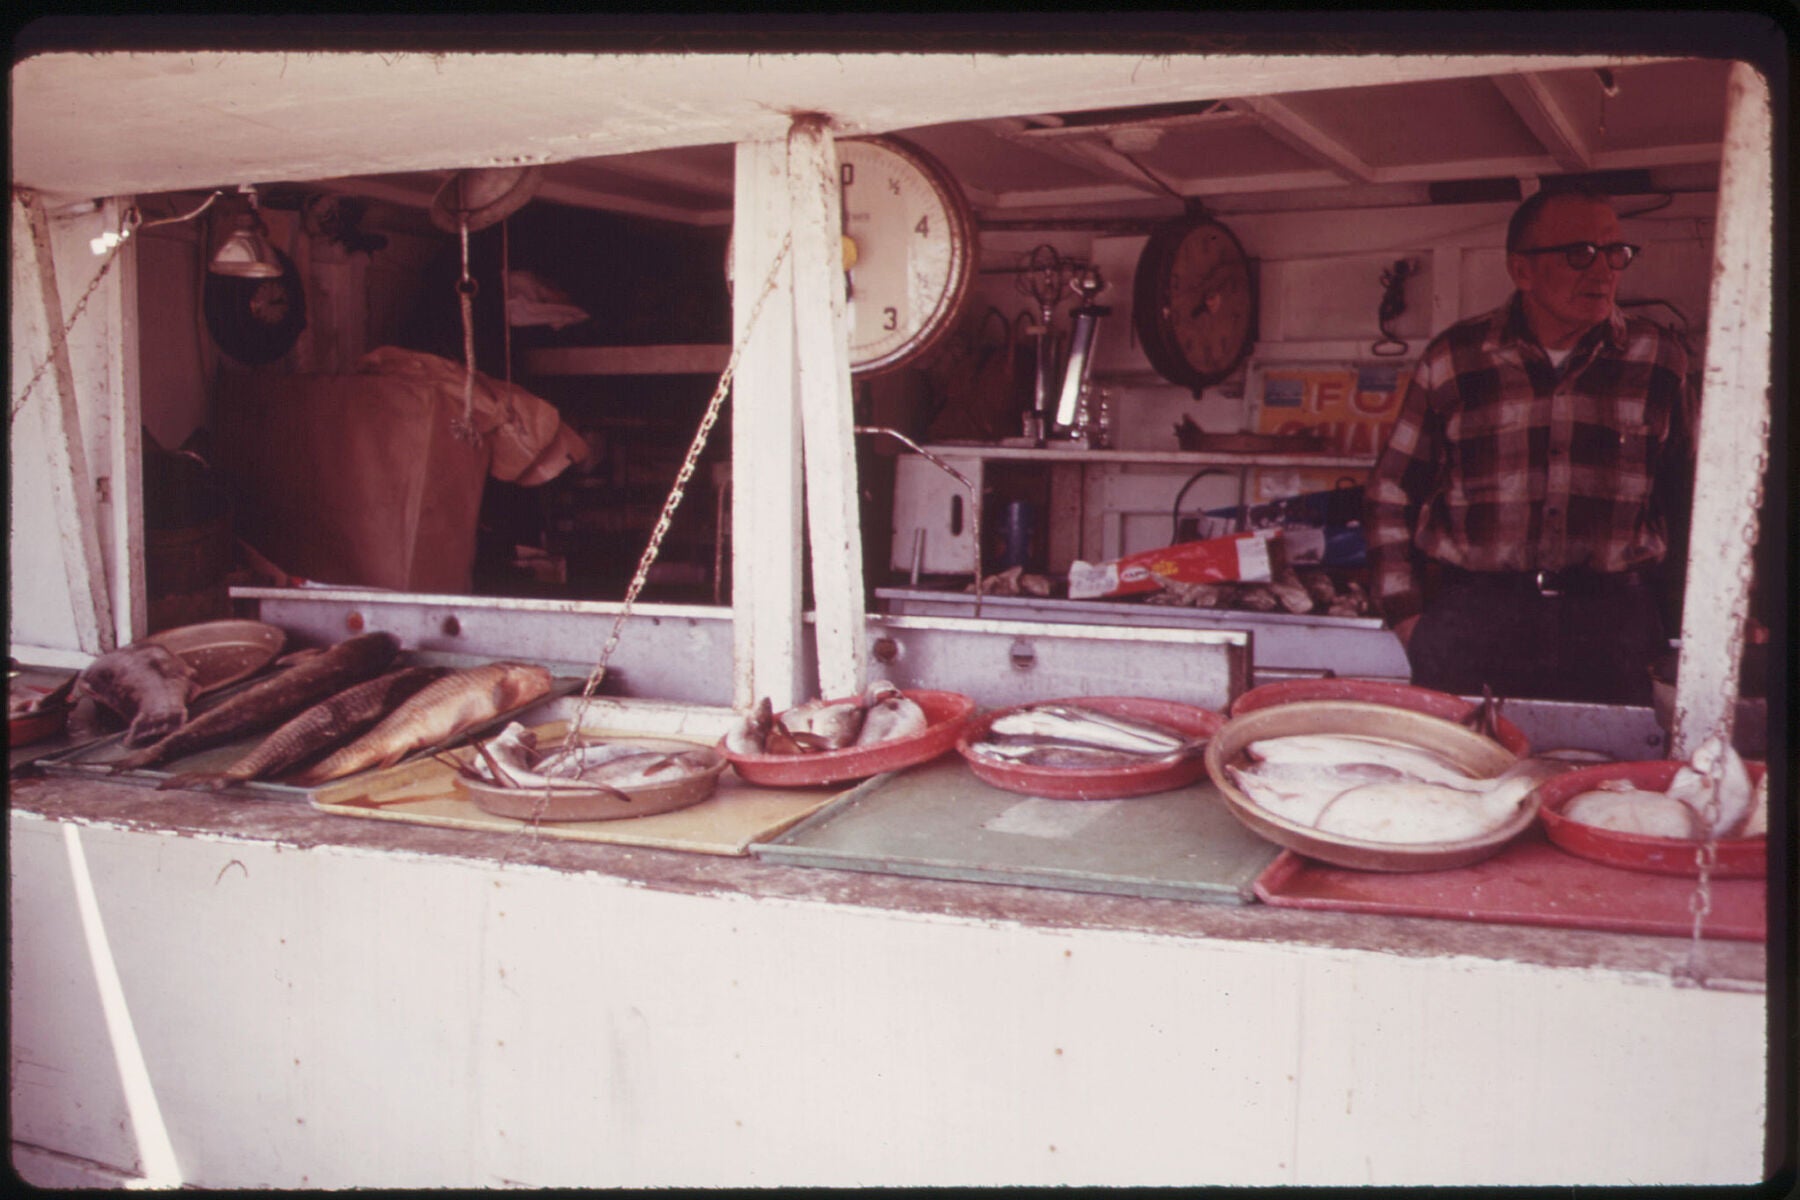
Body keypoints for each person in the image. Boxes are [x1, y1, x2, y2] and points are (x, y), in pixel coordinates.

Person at [1364, 187, 1692, 705]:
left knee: (1612, 779)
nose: (1604, 271)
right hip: (1474, 619)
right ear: (1522, 271)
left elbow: (1695, 495)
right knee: (1462, 777)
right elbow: (1390, 492)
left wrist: (1696, 619)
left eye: (1615, 253)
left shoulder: (1662, 359)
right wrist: (1407, 616)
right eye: (1580, 254)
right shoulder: (1454, 358)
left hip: (1613, 625)